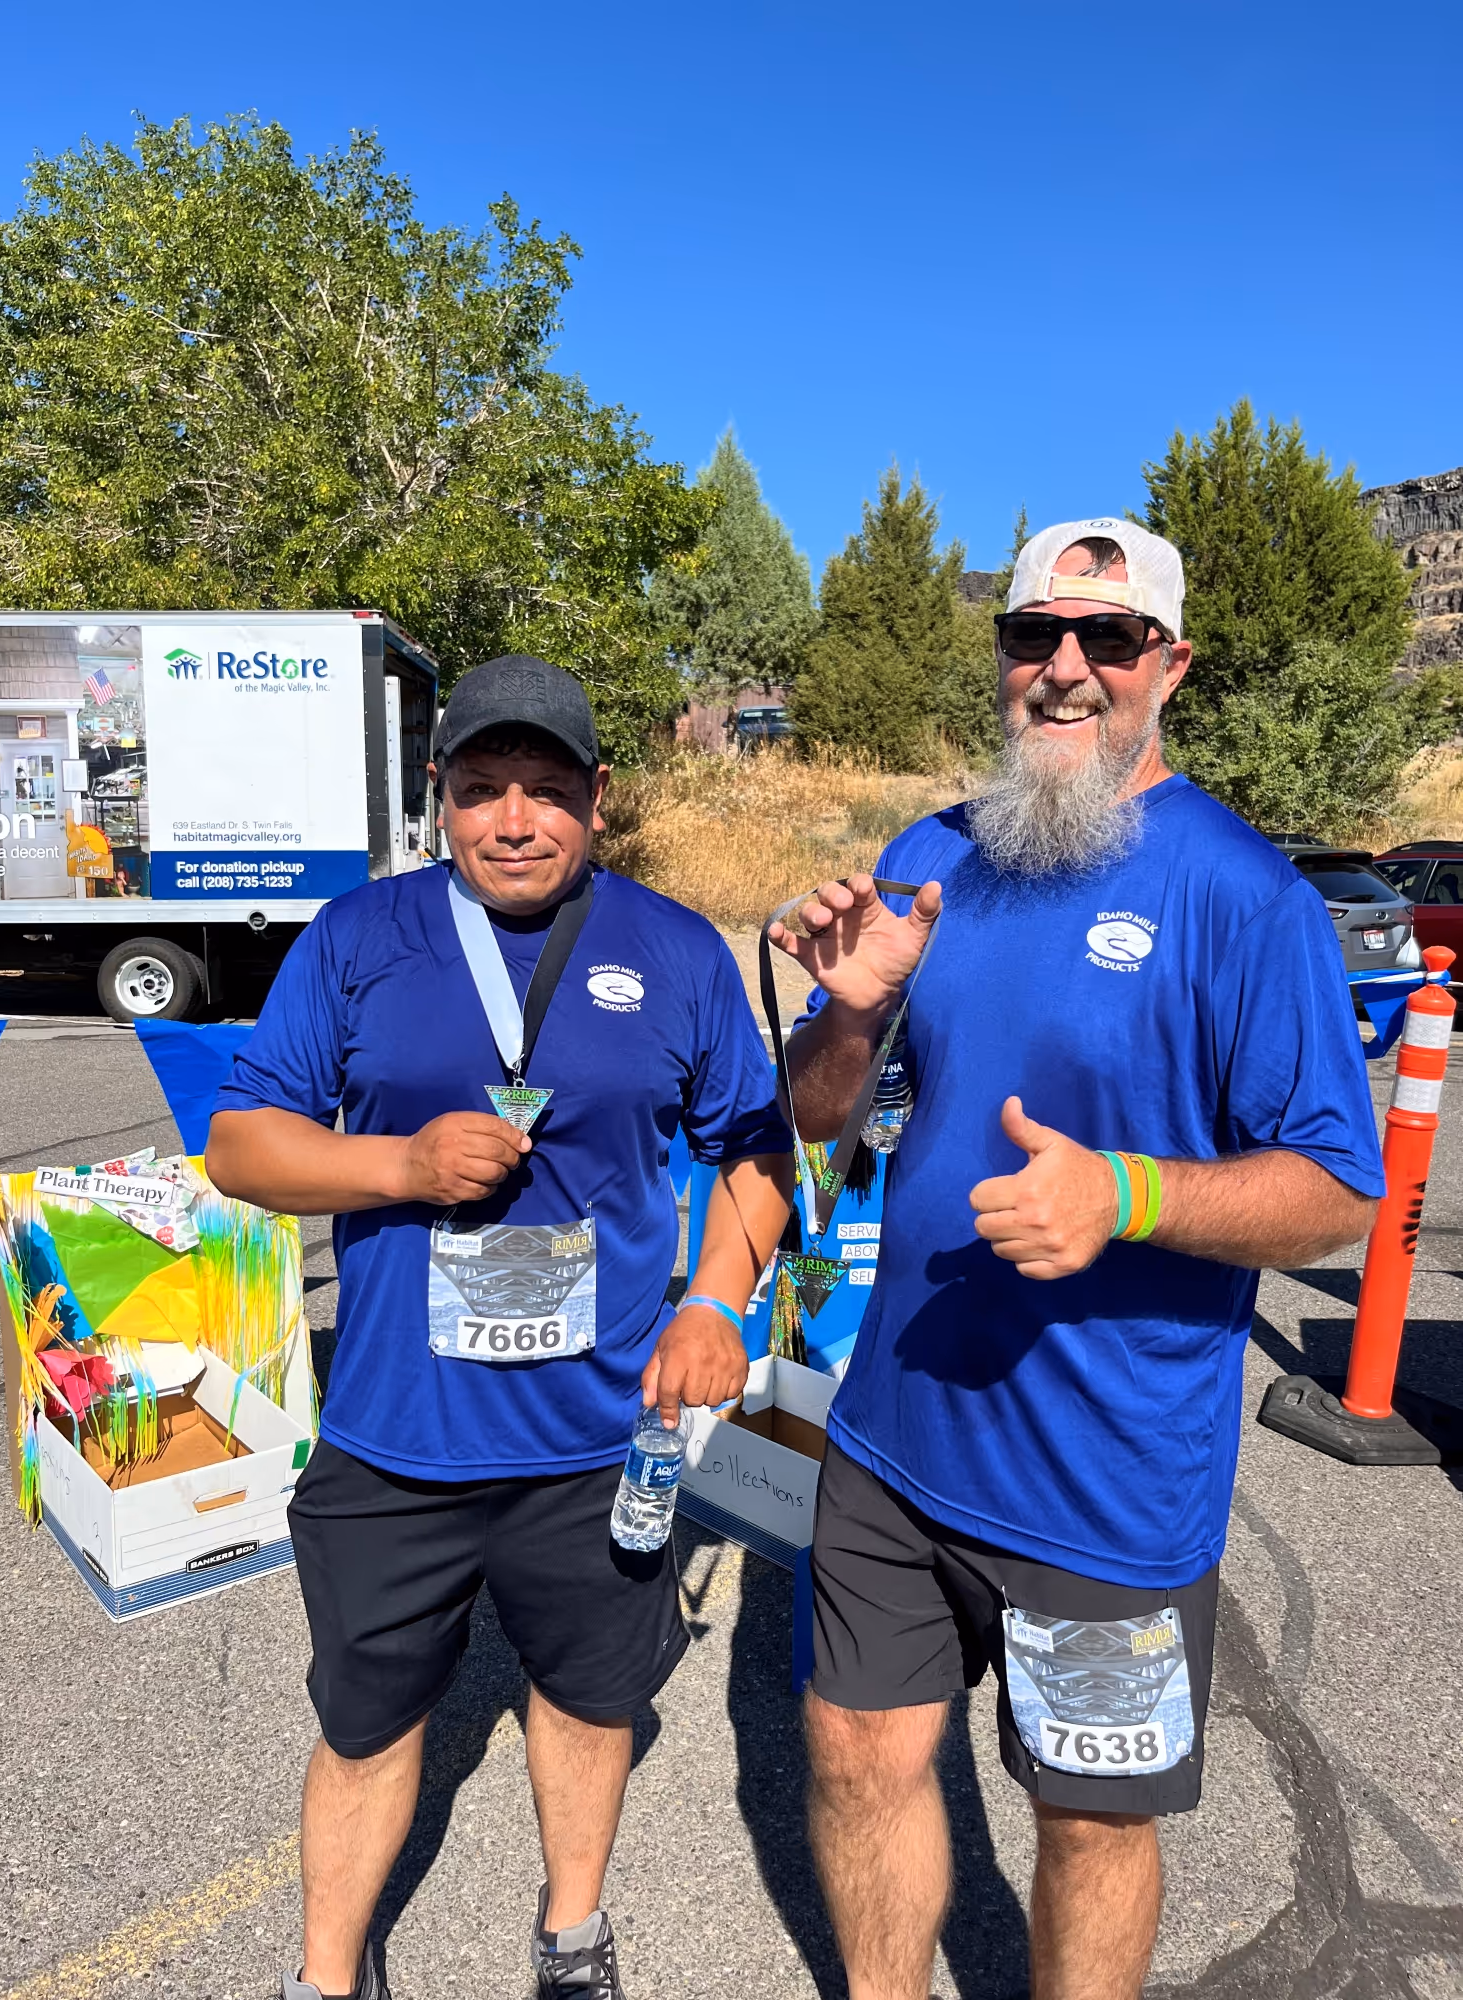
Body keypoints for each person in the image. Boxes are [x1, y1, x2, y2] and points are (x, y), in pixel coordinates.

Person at [769, 520, 1384, 2000]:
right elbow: (815, 1119)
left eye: (1106, 642)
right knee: (855, 1754)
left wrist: (1123, 1192)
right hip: (892, 1434)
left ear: (1166, 667)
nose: (1063, 670)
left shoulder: (1244, 895)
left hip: (1106, 1487)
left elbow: (1336, 1194)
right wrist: (847, 1019)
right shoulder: (933, 859)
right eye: (1033, 636)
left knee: (1090, 1823)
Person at [206, 654, 793, 2000]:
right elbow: (243, 1145)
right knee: (364, 1725)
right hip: (395, 1439)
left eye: (544, 791)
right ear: (440, 800)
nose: (513, 821)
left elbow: (754, 1148)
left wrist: (716, 1299)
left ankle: (572, 1937)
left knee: (590, 1709)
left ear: (598, 797)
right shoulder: (359, 940)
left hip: (599, 1437)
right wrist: (398, 1170)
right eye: (481, 791)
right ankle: (325, 1973)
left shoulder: (674, 949)